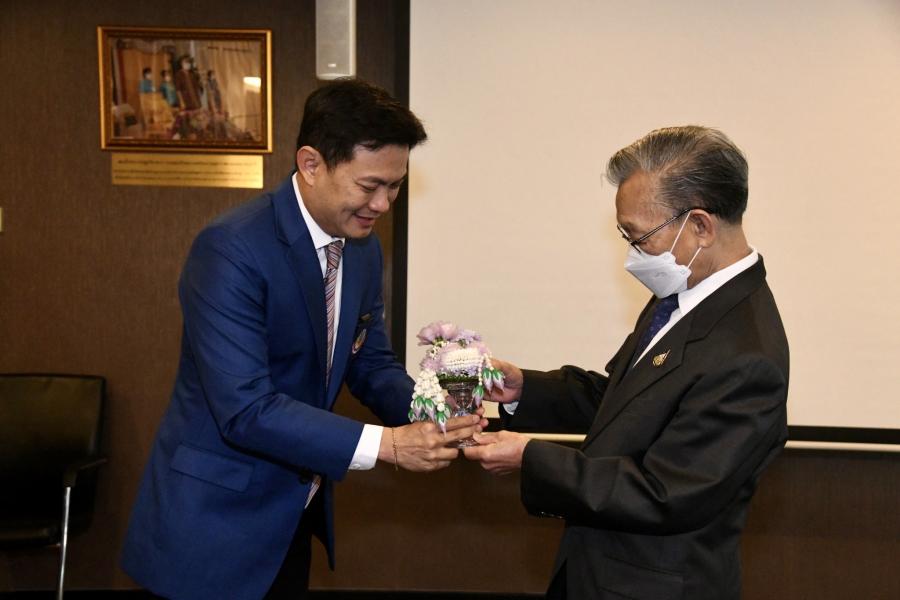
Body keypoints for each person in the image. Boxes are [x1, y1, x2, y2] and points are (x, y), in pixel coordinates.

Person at [121, 78, 482, 600]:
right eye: (370, 186)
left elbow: (371, 365)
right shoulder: (231, 249)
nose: (383, 204)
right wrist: (388, 445)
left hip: (293, 513)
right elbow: (246, 408)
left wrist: (435, 410)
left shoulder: (361, 248)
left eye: (395, 187)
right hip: (214, 523)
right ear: (311, 164)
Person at [465, 126, 789, 600]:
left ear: (700, 226)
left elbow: (665, 493)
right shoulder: (685, 292)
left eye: (640, 237)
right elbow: (624, 402)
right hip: (597, 571)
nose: (632, 255)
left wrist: (530, 457)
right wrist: (523, 389)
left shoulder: (746, 355)